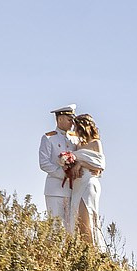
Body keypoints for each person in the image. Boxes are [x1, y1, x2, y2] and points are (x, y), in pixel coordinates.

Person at [64, 112, 106, 245]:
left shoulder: (95, 143)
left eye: (76, 127)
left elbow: (99, 166)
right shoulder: (78, 146)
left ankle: (92, 250)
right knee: (77, 220)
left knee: (86, 217)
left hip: (88, 183)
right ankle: (83, 250)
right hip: (77, 183)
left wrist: (81, 163)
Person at [38, 105, 77, 229]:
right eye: (69, 119)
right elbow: (44, 163)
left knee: (72, 228)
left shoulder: (75, 139)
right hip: (55, 189)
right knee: (56, 228)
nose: (72, 123)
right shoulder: (49, 138)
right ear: (60, 119)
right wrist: (63, 174)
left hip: (73, 189)